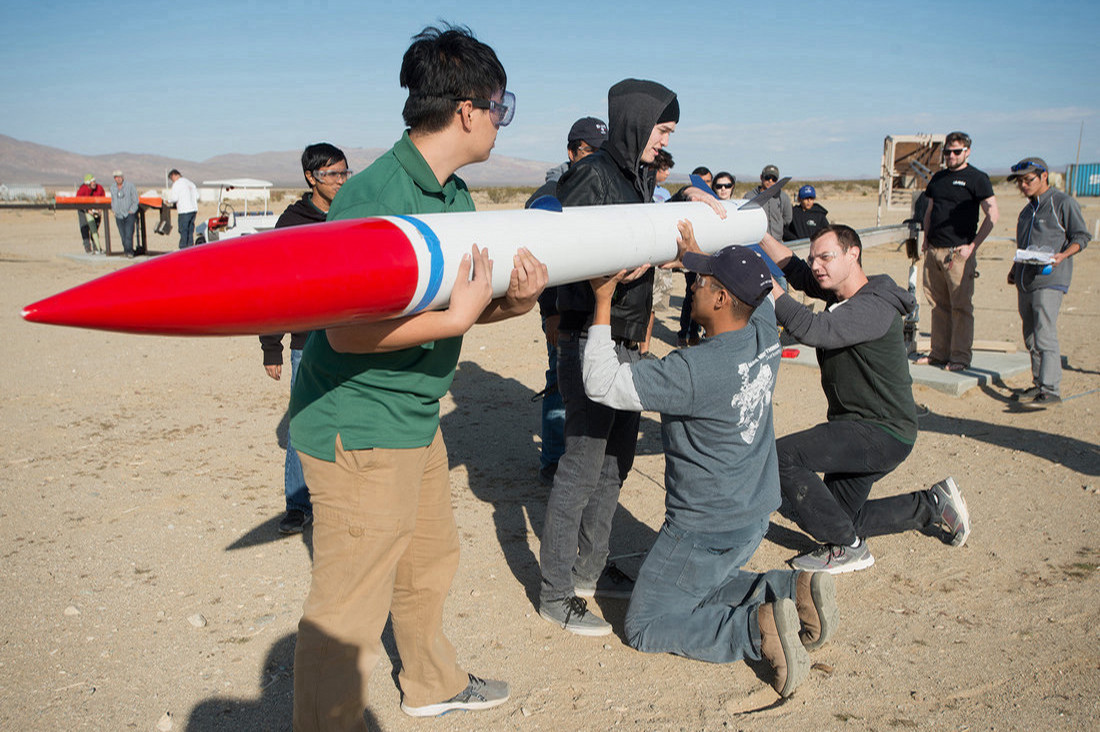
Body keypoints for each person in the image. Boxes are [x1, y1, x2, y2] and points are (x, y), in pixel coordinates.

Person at [287, 25, 546, 726]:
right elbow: (342, 329)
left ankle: (431, 682)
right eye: (501, 106)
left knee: (428, 560)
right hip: (360, 425)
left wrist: (510, 306)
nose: (501, 120)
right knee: (350, 605)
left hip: (414, 415)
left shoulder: (452, 196)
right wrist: (459, 321)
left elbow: (453, 309)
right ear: (467, 109)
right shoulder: (375, 197)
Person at [582, 227, 839, 698]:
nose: (691, 286)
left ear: (722, 298)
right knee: (692, 587)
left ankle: (756, 631)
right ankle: (792, 591)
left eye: (699, 283)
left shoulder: (692, 371)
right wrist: (692, 257)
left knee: (646, 622)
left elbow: (601, 382)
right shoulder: (762, 328)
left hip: (704, 530)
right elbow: (759, 289)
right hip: (753, 514)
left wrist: (601, 301)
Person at [539, 78, 689, 636]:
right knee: (580, 467)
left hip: (627, 338)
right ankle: (555, 594)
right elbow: (569, 259)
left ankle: (590, 569)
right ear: (636, 121)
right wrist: (628, 266)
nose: (665, 140)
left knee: (614, 463)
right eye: (663, 129)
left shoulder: (633, 176)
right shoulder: (591, 176)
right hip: (588, 336)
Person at [755, 226, 971, 574]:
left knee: (782, 458)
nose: (816, 265)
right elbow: (795, 270)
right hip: (861, 427)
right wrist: (760, 233)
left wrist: (765, 284)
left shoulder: (873, 306)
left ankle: (848, 549)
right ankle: (931, 504)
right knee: (838, 516)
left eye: (826, 257)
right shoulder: (840, 293)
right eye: (814, 258)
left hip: (881, 432)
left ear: (853, 254)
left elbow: (814, 329)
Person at [261, 143, 349, 535]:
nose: (341, 182)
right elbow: (273, 288)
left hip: (352, 338)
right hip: (307, 343)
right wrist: (270, 346)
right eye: (333, 174)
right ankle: (298, 505)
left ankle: (342, 500)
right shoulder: (291, 222)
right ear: (312, 177)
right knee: (304, 425)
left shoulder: (354, 212)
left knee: (351, 421)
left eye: (346, 173)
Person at [525, 116, 608, 486]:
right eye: (589, 152)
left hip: (602, 310)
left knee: (600, 382)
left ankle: (587, 461)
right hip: (565, 312)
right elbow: (536, 259)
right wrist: (550, 312)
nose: (595, 160)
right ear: (573, 152)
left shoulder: (608, 187)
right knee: (560, 385)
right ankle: (553, 463)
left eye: (601, 153)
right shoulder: (549, 195)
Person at [1006, 157, 1090, 407]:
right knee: (1031, 336)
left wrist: (1063, 255)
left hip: (1050, 280)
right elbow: (1023, 246)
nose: (1023, 185)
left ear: (1044, 176)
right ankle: (1038, 385)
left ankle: (1051, 389)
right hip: (1026, 281)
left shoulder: (1062, 203)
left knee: (1044, 334)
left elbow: (1082, 236)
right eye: (1020, 181)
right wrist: (1014, 269)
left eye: (1028, 180)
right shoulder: (1026, 211)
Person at [918, 131, 998, 371]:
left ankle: (960, 357)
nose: (951, 156)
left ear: (967, 151)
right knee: (937, 305)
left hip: (958, 253)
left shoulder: (977, 178)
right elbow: (931, 210)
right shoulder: (938, 179)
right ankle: (939, 353)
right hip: (935, 251)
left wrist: (972, 247)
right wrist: (926, 239)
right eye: (947, 152)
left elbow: (992, 214)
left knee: (960, 307)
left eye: (956, 151)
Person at [674, 165, 714, 347]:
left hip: (708, 256)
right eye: (700, 181)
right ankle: (683, 333)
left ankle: (695, 333)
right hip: (690, 258)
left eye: (707, 181)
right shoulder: (686, 202)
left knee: (705, 295)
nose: (704, 185)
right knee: (690, 296)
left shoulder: (713, 203)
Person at [746, 165, 793, 241]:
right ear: (761, 177)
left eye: (774, 179)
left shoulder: (783, 197)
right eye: (767, 177)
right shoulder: (750, 197)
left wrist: (777, 225)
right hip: (757, 241)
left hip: (777, 241)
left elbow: (787, 219)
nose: (770, 181)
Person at [166, 169, 200, 249]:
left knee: (183, 230)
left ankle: (183, 248)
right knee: (190, 230)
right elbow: (197, 196)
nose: (172, 180)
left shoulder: (177, 184)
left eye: (172, 178)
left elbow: (175, 198)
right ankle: (191, 247)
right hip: (193, 210)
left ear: (174, 175)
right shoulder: (190, 183)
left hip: (184, 210)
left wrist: (168, 201)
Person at [110, 170, 139, 257]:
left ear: (123, 177)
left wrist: (132, 210)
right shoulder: (112, 188)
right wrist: (114, 209)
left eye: (120, 177)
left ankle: (130, 252)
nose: (118, 179)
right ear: (114, 178)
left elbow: (135, 199)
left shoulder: (130, 186)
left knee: (129, 233)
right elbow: (113, 199)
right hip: (118, 214)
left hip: (129, 213)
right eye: (116, 177)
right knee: (122, 234)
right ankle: (126, 251)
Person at [76, 174, 105, 253]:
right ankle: (87, 246)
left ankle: (96, 245)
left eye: (94, 181)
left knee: (95, 227)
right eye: (92, 182)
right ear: (88, 183)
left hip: (95, 209)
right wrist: (87, 210)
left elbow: (103, 198)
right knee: (85, 227)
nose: (94, 183)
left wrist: (99, 209)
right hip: (83, 210)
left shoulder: (99, 188)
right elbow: (78, 201)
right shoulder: (82, 189)